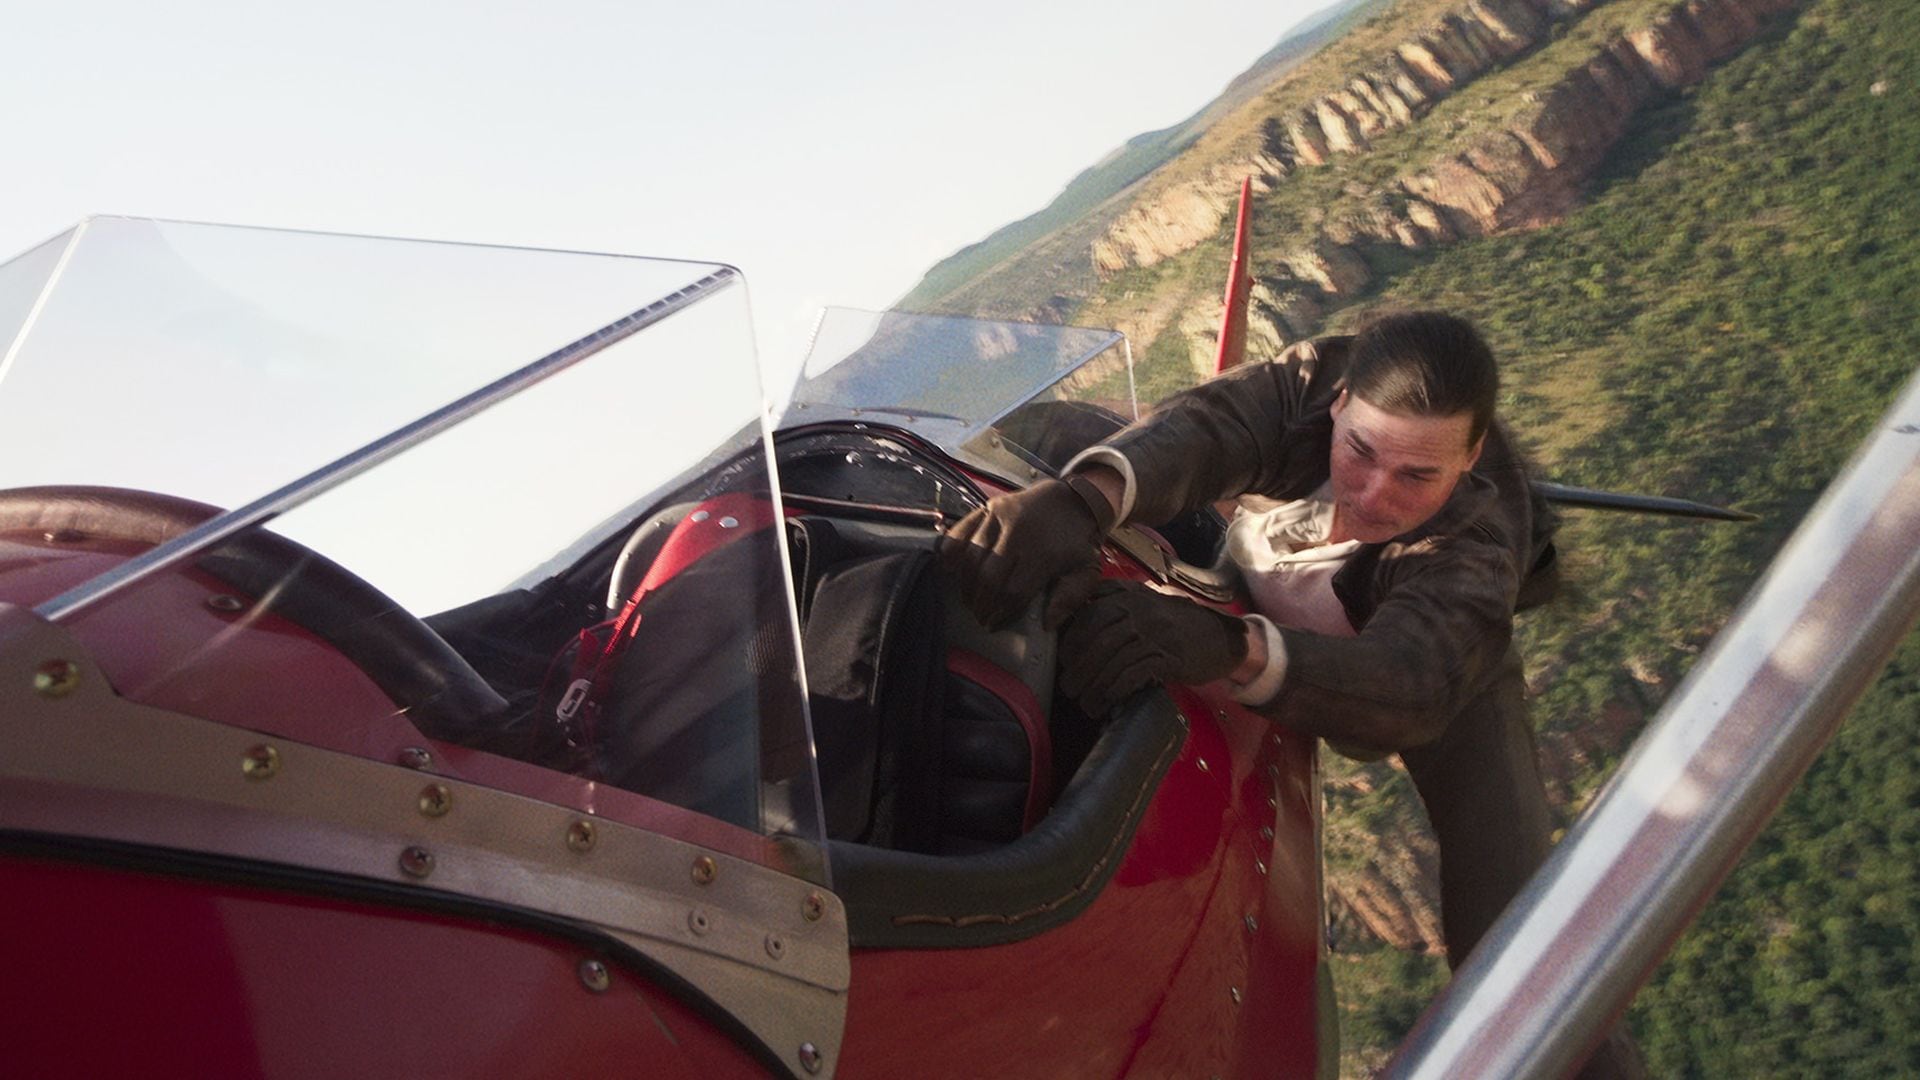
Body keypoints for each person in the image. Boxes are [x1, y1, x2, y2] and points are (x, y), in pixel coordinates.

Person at [939, 310, 1642, 1078]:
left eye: (1418, 475)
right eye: (1361, 452)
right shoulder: (1310, 382)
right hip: (1269, 574)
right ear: (1338, 404)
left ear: (1470, 458)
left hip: (1439, 676)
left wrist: (1228, 647)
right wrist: (1084, 502)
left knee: (1519, 951)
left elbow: (1409, 681)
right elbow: (1210, 428)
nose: (1374, 497)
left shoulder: (1473, 544)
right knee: (1054, 431)